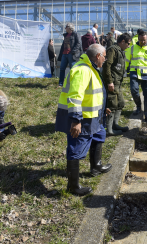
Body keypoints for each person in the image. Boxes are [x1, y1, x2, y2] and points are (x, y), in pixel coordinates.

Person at [55, 44, 112, 196]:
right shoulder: (82, 70)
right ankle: (73, 187)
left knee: (99, 136)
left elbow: (94, 93)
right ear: (98, 56)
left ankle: (96, 167)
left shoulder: (91, 68)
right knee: (76, 148)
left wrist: (102, 108)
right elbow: (75, 97)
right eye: (104, 57)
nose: (105, 60)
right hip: (83, 118)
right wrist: (75, 121)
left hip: (95, 116)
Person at [102, 33, 132, 135]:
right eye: (128, 43)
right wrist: (109, 81)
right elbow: (107, 66)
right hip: (112, 82)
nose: (128, 46)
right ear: (122, 41)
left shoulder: (121, 51)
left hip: (118, 82)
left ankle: (115, 124)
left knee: (120, 103)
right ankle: (109, 129)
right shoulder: (112, 50)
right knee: (112, 104)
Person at [57, 23, 83, 87]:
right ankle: (60, 84)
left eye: (66, 27)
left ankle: (73, 83)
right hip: (64, 54)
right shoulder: (65, 35)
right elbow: (63, 45)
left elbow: (79, 43)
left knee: (73, 69)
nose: (65, 28)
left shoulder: (76, 34)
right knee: (62, 69)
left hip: (71, 54)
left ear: (70, 28)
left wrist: (73, 51)